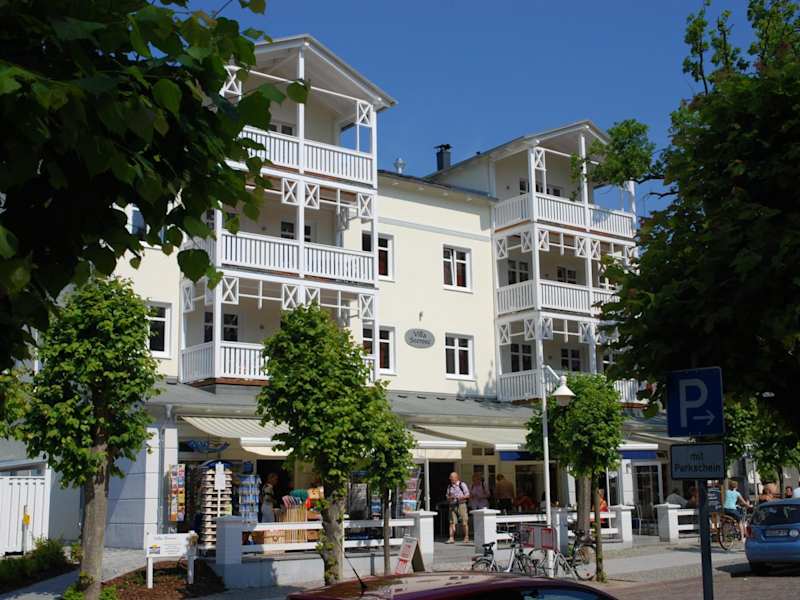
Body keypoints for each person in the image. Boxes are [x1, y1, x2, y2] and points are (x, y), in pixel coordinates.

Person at [446, 472, 470, 544]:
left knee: (464, 522)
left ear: (456, 478)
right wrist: (450, 497)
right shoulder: (449, 486)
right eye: (450, 477)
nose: (450, 479)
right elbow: (447, 496)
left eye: (451, 477)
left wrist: (461, 497)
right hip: (452, 505)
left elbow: (468, 495)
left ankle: (466, 537)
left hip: (461, 504)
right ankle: (451, 538)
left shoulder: (462, 484)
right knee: (452, 522)